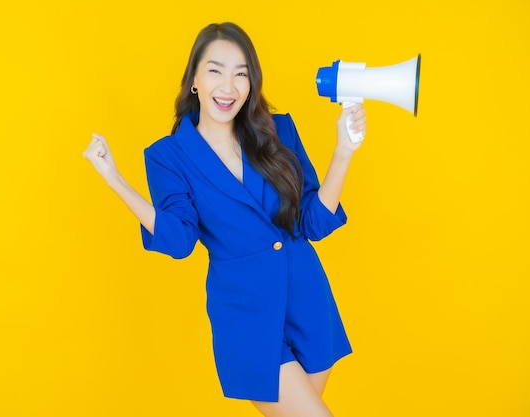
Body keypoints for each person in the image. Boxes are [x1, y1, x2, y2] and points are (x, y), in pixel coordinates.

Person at [83, 22, 366, 417]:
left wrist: (344, 152)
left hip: (306, 299)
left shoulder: (278, 130)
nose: (228, 86)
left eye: (241, 73)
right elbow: (180, 240)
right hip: (246, 314)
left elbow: (312, 223)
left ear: (252, 83)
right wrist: (116, 181)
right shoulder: (168, 156)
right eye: (215, 70)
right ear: (195, 80)